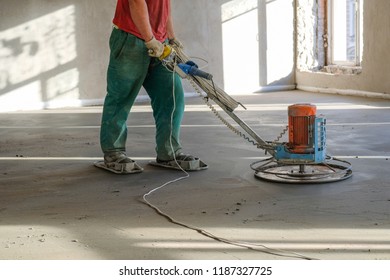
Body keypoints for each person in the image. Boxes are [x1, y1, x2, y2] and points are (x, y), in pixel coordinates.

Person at [97, 0, 207, 174]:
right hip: (130, 40)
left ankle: (169, 152)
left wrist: (171, 38)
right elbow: (136, 2)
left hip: (160, 42)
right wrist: (149, 40)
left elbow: (164, 8)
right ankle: (113, 152)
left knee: (172, 96)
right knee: (121, 97)